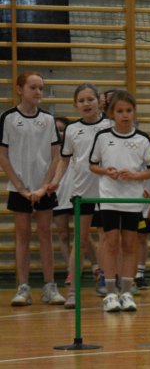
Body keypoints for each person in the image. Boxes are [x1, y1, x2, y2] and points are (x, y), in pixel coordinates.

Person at [89, 91, 150, 313]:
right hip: (109, 198)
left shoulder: (142, 139)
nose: (125, 115)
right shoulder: (102, 137)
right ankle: (110, 293)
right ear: (112, 113)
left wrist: (136, 176)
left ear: (134, 112)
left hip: (132, 199)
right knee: (111, 242)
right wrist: (107, 171)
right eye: (120, 111)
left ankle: (127, 292)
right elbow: (93, 165)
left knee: (129, 243)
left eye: (129, 110)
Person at [0, 71, 66, 306]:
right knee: (22, 236)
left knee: (46, 235)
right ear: (20, 89)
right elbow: (2, 155)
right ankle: (23, 288)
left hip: (43, 188)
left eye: (41, 88)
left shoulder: (48, 119)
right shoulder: (8, 118)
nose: (38, 92)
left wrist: (43, 187)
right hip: (20, 189)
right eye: (33, 87)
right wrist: (21, 188)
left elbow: (56, 156)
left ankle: (50, 287)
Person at [57, 83, 111, 308]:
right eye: (81, 100)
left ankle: (109, 288)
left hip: (107, 192)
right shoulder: (72, 129)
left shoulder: (110, 125)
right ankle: (72, 291)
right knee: (79, 242)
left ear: (99, 101)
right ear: (75, 105)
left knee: (107, 240)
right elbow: (64, 160)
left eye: (90, 99)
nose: (86, 104)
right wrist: (54, 182)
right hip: (82, 192)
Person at [52, 117, 74, 289]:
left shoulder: (74, 147)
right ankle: (70, 271)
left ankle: (97, 268)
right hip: (58, 196)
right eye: (56, 130)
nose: (59, 133)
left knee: (84, 235)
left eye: (62, 129)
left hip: (75, 194)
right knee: (63, 234)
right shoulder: (48, 150)